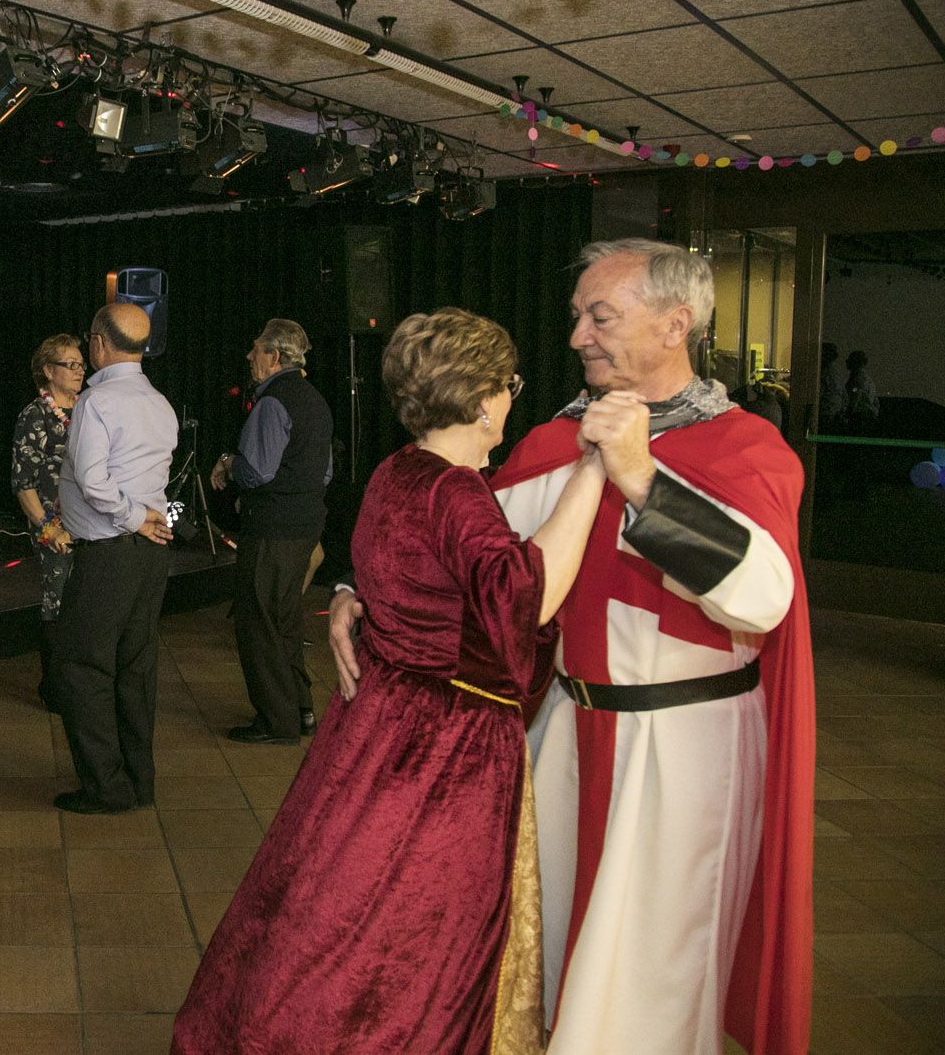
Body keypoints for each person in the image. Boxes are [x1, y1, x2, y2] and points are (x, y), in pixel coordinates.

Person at [329, 239, 815, 1055]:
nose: (577, 336)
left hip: (683, 747)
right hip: (561, 728)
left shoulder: (745, 449)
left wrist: (642, 479)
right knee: (542, 951)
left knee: (649, 979)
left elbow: (763, 598)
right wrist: (356, 590)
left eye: (601, 316)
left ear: (676, 323)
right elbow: (454, 536)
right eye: (578, 316)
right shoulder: (559, 438)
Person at [174, 309, 605, 1053]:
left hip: (376, 726)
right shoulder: (459, 492)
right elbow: (523, 601)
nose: (512, 398)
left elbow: (399, 565)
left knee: (326, 906)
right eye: (508, 385)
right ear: (478, 399)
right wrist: (595, 471)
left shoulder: (399, 469)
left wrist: (349, 593)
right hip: (445, 751)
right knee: (411, 946)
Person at [50, 302, 177, 814]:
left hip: (110, 552)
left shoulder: (96, 403)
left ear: (99, 342)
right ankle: (137, 780)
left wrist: (132, 516)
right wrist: (147, 517)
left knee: (84, 668)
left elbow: (93, 481)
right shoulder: (160, 402)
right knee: (136, 668)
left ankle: (105, 788)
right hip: (150, 557)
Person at [208, 319, 332, 744]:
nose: (249, 356)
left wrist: (228, 465)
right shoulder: (315, 400)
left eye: (255, 348)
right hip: (304, 525)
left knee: (258, 622)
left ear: (274, 356)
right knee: (285, 620)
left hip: (273, 529)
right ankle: (300, 710)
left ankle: (276, 721)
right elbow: (324, 472)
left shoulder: (272, 403)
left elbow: (257, 470)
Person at [11, 333, 86, 708]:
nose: (78, 370)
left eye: (80, 363)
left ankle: (81, 681)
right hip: (53, 524)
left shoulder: (88, 407)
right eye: (69, 364)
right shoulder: (35, 414)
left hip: (91, 524)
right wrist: (47, 527)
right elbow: (23, 483)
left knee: (85, 604)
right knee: (57, 603)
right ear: (47, 370)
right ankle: (55, 687)